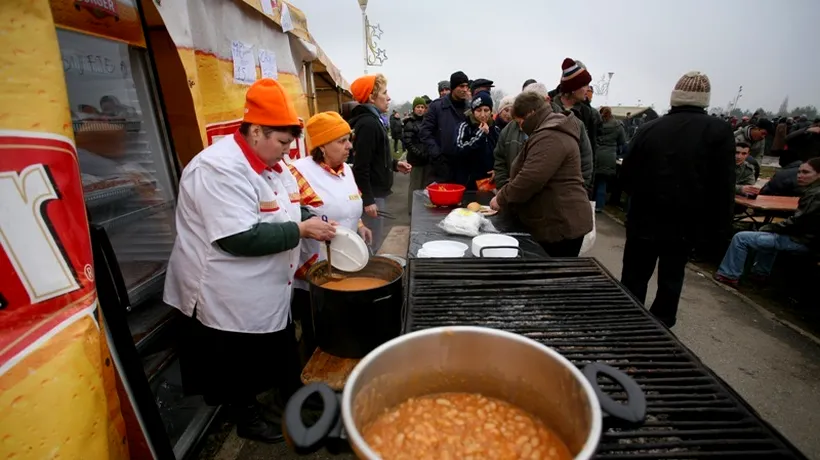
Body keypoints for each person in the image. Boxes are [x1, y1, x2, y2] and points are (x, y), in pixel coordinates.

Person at [163, 78, 337, 443]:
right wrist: (302, 231)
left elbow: (285, 206)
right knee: (235, 359)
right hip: (225, 288)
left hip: (268, 284)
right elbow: (236, 238)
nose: (287, 152)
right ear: (256, 131)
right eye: (283, 143)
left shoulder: (272, 163)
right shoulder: (218, 169)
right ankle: (247, 417)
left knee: (279, 345)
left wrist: (309, 216)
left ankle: (293, 397)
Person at [619, 71, 735, 328]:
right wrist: (719, 231)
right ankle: (661, 326)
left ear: (675, 96)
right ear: (704, 99)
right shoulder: (719, 131)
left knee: (634, 276)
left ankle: (628, 323)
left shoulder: (650, 128)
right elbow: (723, 185)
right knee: (671, 278)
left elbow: (626, 174)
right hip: (686, 224)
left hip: (644, 219)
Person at [288, 111, 373, 365]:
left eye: (350, 139)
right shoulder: (297, 173)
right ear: (322, 145)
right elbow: (289, 216)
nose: (350, 146)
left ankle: (344, 366)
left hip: (347, 261)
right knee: (319, 331)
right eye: (342, 141)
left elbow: (349, 203)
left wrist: (359, 223)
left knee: (344, 326)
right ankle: (314, 381)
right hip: (314, 268)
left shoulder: (346, 169)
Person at [489, 91, 592, 257]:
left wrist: (502, 197)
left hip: (560, 224)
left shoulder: (550, 135)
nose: (520, 127)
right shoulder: (547, 131)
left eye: (520, 121)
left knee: (554, 276)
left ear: (530, 113)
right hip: (553, 219)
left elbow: (530, 178)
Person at [714, 158, 820, 287]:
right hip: (807, 239)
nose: (800, 176)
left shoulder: (815, 195)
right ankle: (759, 274)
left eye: (806, 172)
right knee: (771, 234)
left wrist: (771, 227)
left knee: (741, 238)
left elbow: (799, 222)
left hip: (803, 241)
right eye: (799, 172)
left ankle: (728, 275)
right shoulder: (812, 191)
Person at [348, 74, 412, 251]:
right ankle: (368, 275)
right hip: (373, 194)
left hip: (376, 192)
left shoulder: (374, 120)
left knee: (372, 241)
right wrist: (368, 200)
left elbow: (375, 156)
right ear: (371, 97)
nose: (389, 97)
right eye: (384, 92)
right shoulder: (368, 123)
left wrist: (393, 164)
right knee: (370, 244)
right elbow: (361, 165)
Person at [525, 82, 593, 188]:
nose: (532, 110)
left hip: (561, 195)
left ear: (547, 100)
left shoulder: (570, 124)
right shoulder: (517, 124)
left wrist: (579, 189)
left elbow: (586, 162)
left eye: (535, 104)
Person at [551, 58, 599, 190]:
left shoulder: (588, 115)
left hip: (574, 186)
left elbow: (590, 154)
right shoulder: (547, 107)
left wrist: (586, 188)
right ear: (573, 88)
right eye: (585, 85)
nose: (588, 89)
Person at [420, 70, 471, 184]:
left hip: (463, 166)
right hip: (440, 167)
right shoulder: (437, 106)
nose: (464, 89)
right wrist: (437, 155)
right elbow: (425, 132)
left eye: (466, 86)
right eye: (461, 86)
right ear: (453, 87)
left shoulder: (470, 108)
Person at [454, 91, 500, 190]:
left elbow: (502, 153)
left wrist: (498, 170)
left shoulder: (495, 129)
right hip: (468, 182)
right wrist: (480, 134)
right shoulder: (464, 127)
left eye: (486, 110)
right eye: (479, 110)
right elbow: (459, 148)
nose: (483, 115)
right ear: (473, 111)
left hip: (489, 183)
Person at [594, 106, 626, 212]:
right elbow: (622, 141)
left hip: (596, 154)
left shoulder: (596, 124)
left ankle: (590, 204)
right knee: (602, 183)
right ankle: (599, 206)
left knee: (593, 181)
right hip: (609, 155)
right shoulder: (618, 125)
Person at [493, 93, 527, 190]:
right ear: (500, 111)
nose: (509, 114)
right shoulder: (496, 130)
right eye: (506, 110)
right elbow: (499, 158)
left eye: (511, 111)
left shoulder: (522, 128)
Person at [404, 96, 432, 208]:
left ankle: (422, 208)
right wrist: (419, 154)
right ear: (414, 109)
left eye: (422, 107)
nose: (420, 109)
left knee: (425, 187)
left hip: (427, 159)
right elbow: (408, 143)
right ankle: (412, 209)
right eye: (418, 107)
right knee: (415, 187)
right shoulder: (409, 123)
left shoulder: (427, 122)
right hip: (416, 160)